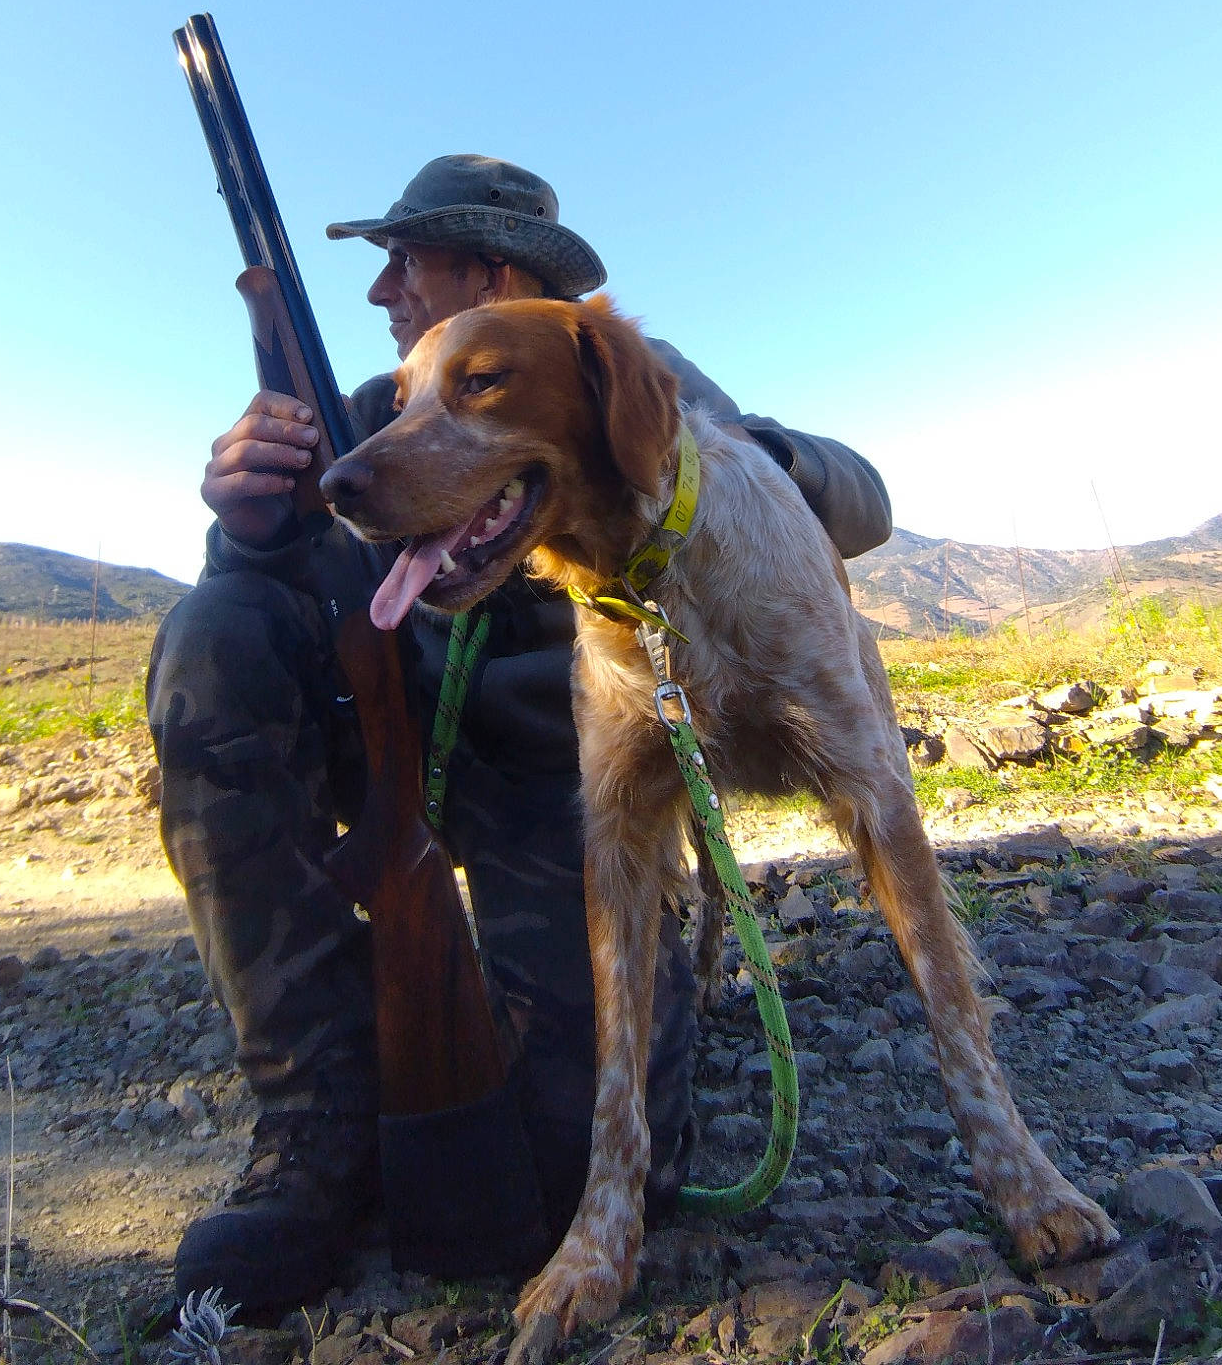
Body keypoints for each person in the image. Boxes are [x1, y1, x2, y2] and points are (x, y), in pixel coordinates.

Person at [147, 155, 892, 1312]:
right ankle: (314, 1117)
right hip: (392, 750)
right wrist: (248, 530)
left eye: (406, 261)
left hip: (565, 788)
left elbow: (864, 500)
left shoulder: (620, 370)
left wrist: (756, 454)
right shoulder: (371, 416)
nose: (382, 290)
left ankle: (513, 1030)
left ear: (491, 273)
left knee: (561, 1190)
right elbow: (285, 601)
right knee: (214, 634)